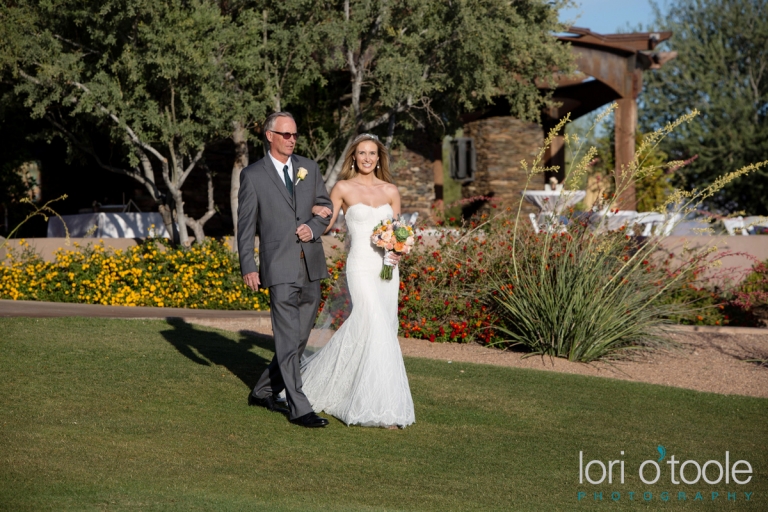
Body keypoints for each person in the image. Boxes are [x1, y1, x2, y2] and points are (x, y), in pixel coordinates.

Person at [300, 133, 416, 429]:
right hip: (360, 266)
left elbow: (399, 231)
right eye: (362, 153)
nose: (367, 158)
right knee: (372, 321)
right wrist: (308, 212)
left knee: (382, 327)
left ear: (379, 158)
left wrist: (398, 251)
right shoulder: (342, 187)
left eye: (372, 153)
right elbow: (325, 223)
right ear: (354, 156)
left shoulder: (391, 190)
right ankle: (378, 408)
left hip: (387, 269)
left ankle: (379, 400)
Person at [237, 111, 333, 428]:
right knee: (287, 338)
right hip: (278, 266)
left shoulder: (310, 168)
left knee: (299, 338)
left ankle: (263, 390)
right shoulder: (253, 175)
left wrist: (314, 227)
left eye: (294, 134)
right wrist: (248, 266)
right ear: (270, 136)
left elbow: (326, 208)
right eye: (286, 134)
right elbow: (245, 226)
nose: (292, 140)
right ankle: (299, 407)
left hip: (310, 265)